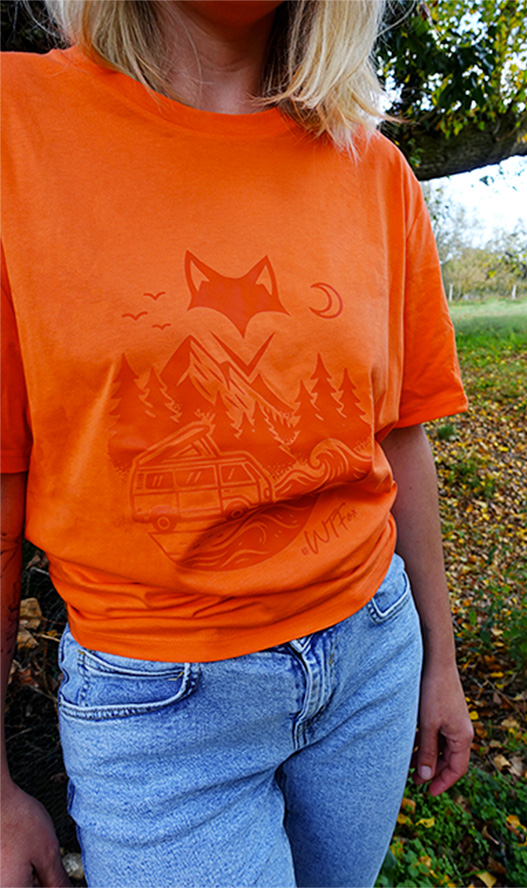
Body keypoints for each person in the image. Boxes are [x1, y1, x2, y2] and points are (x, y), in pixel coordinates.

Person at [0, 1, 474, 885]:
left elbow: (400, 439)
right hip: (157, 713)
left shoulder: (375, 170)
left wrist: (441, 665)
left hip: (370, 656)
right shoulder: (16, 126)